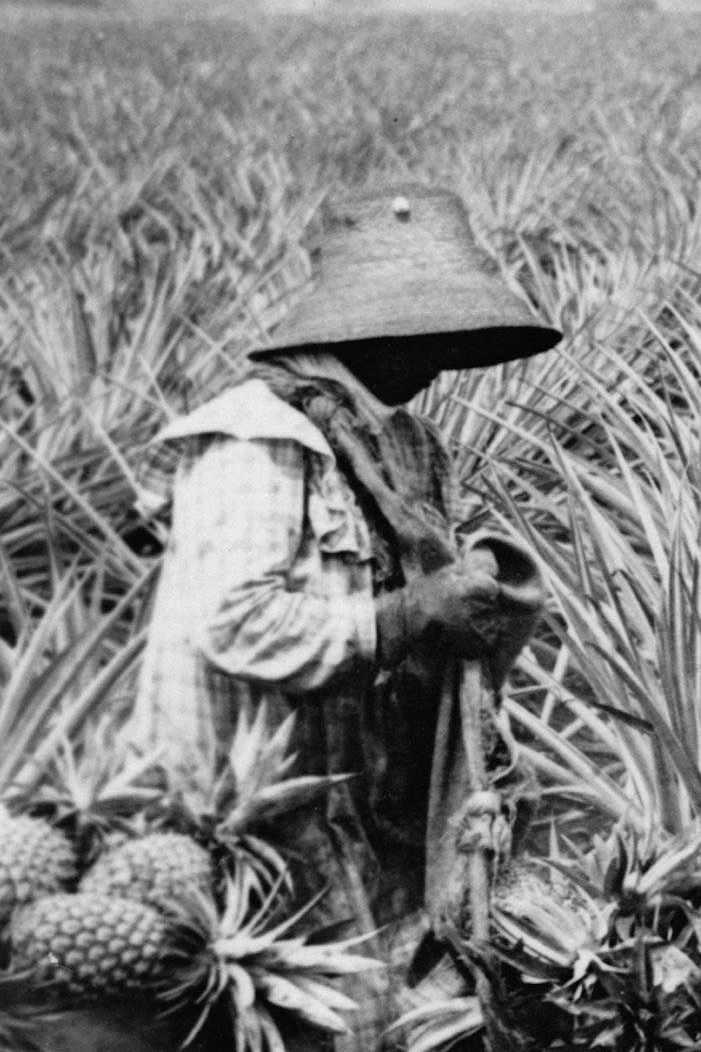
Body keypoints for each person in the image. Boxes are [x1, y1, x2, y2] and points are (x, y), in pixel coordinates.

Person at [124, 187, 560, 943]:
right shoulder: (259, 438)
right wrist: (414, 611)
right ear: (362, 327)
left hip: (353, 780)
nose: (442, 357)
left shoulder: (411, 443)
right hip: (234, 811)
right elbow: (236, 625)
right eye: (424, 332)